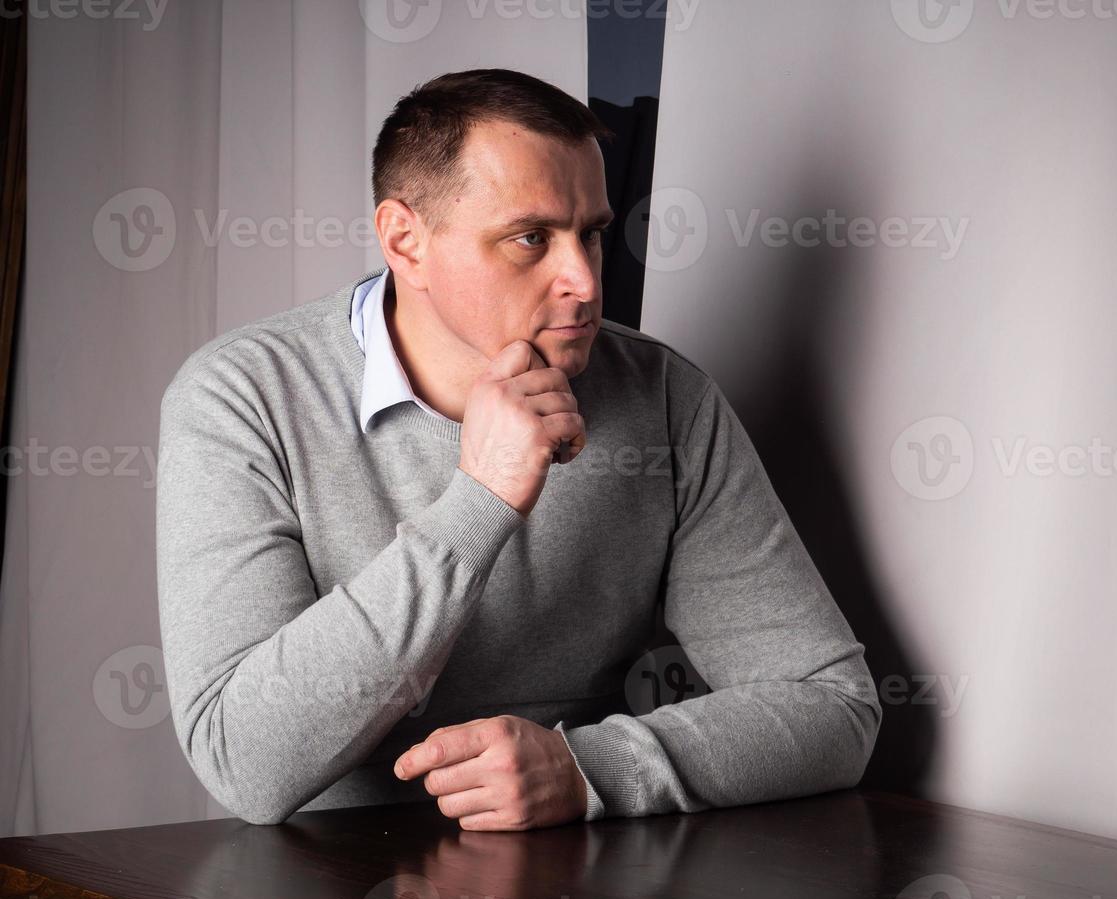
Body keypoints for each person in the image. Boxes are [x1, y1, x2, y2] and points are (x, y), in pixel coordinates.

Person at [155, 68, 880, 829]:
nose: (584, 281)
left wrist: (584, 770)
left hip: (579, 890)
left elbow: (833, 709)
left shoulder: (665, 397)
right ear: (406, 240)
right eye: (530, 238)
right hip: (320, 891)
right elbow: (244, 762)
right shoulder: (241, 397)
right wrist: (481, 499)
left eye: (592, 234)